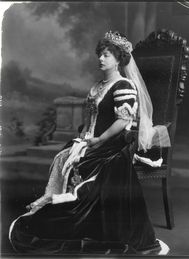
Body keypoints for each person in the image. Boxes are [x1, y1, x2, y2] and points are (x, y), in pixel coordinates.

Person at [9, 31, 170, 255]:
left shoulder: (123, 86)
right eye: (100, 55)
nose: (100, 59)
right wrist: (83, 139)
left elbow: (123, 121)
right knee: (65, 157)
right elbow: (89, 121)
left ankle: (76, 222)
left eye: (106, 55)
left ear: (118, 59)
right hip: (92, 140)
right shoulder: (96, 87)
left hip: (112, 143)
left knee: (87, 173)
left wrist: (98, 140)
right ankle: (66, 215)